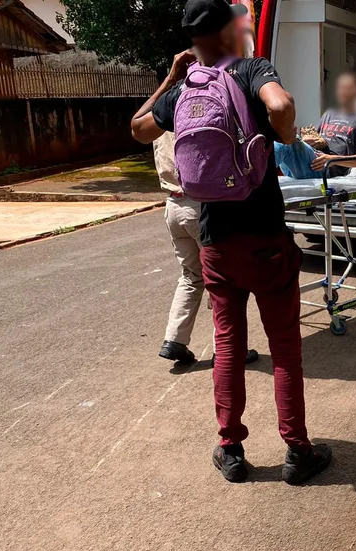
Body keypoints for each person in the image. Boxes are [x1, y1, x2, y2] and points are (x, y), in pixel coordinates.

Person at [131, 0, 331, 485]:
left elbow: (138, 130)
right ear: (230, 31)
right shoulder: (249, 69)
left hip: (215, 242)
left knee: (227, 344)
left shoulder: (183, 90)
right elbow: (281, 106)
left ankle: (232, 449)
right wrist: (282, 135)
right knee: (284, 348)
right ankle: (297, 451)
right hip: (265, 237)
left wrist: (171, 77)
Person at [152, 131, 259, 367]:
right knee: (221, 277)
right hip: (199, 205)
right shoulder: (195, 114)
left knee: (190, 275)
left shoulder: (161, 115)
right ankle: (227, 349)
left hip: (173, 205)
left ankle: (174, 340)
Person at [274, 71, 356, 180]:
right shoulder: (329, 114)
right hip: (310, 159)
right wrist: (307, 140)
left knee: (285, 140)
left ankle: (256, 177)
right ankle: (258, 175)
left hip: (326, 168)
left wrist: (331, 159)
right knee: (282, 136)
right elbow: (316, 140)